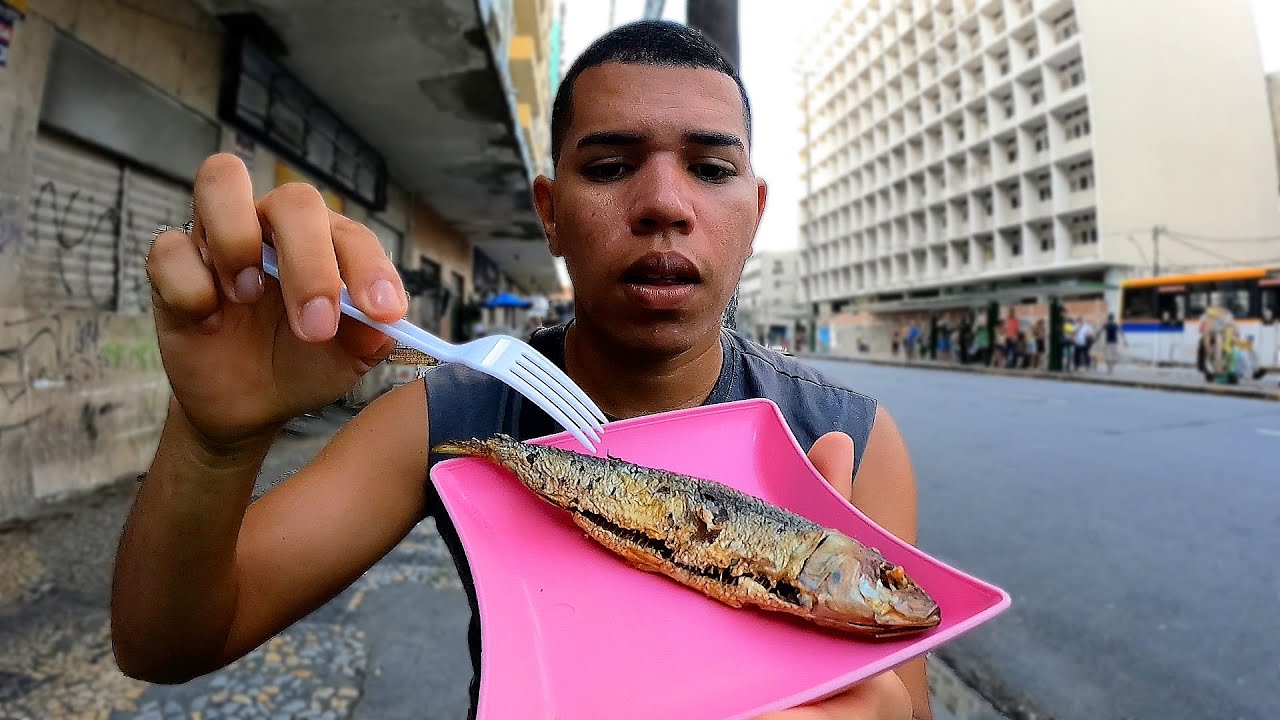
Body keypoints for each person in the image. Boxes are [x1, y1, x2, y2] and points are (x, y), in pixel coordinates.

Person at [110, 20, 929, 720]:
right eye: (608, 167)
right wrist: (213, 442)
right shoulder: (457, 413)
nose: (664, 204)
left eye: (712, 170)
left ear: (754, 212)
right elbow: (170, 642)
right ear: (549, 213)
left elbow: (906, 693)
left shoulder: (848, 442)